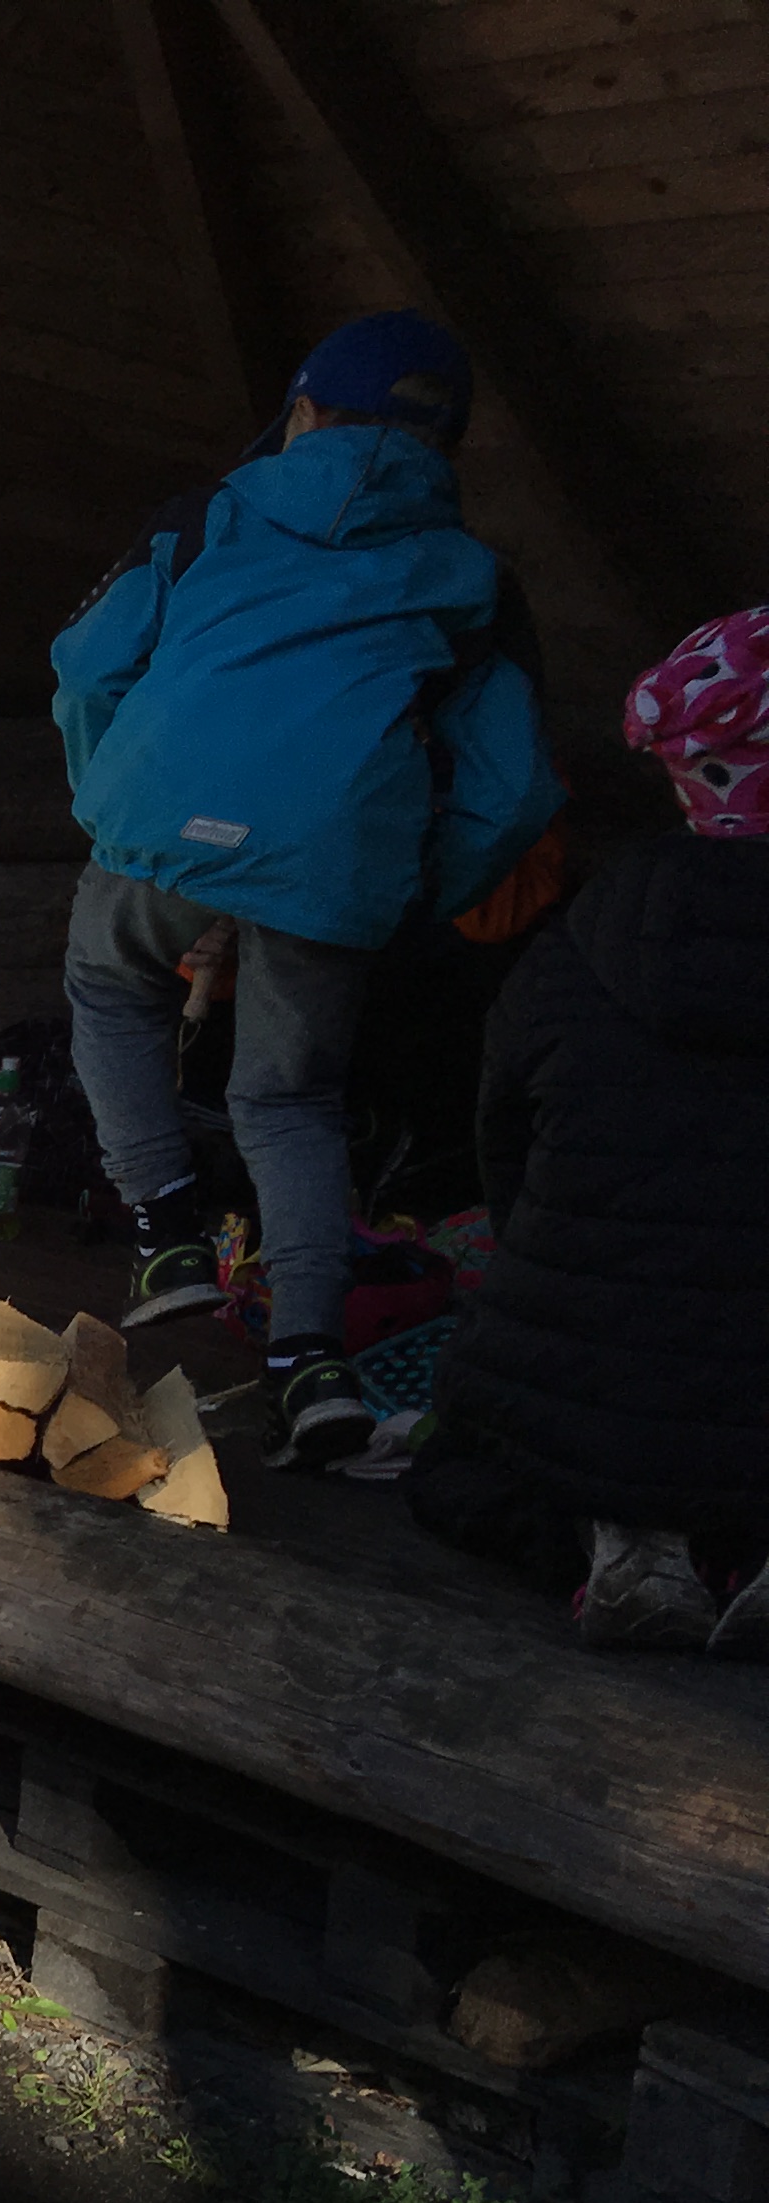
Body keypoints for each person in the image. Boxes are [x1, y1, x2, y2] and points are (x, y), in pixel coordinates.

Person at [52, 308, 561, 1468]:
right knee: (290, 1102)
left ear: (304, 412)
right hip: (337, 853)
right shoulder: (477, 579)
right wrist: (404, 892)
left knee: (111, 984)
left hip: (156, 814)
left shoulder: (204, 518)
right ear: (447, 446)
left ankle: (168, 1234)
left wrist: (114, 808)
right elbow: (514, 791)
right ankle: (310, 1362)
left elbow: (86, 671)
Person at [410, 606, 769, 1653]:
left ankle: (612, 1540)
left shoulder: (577, 948)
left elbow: (506, 1165)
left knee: (463, 1465)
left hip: (583, 1404)